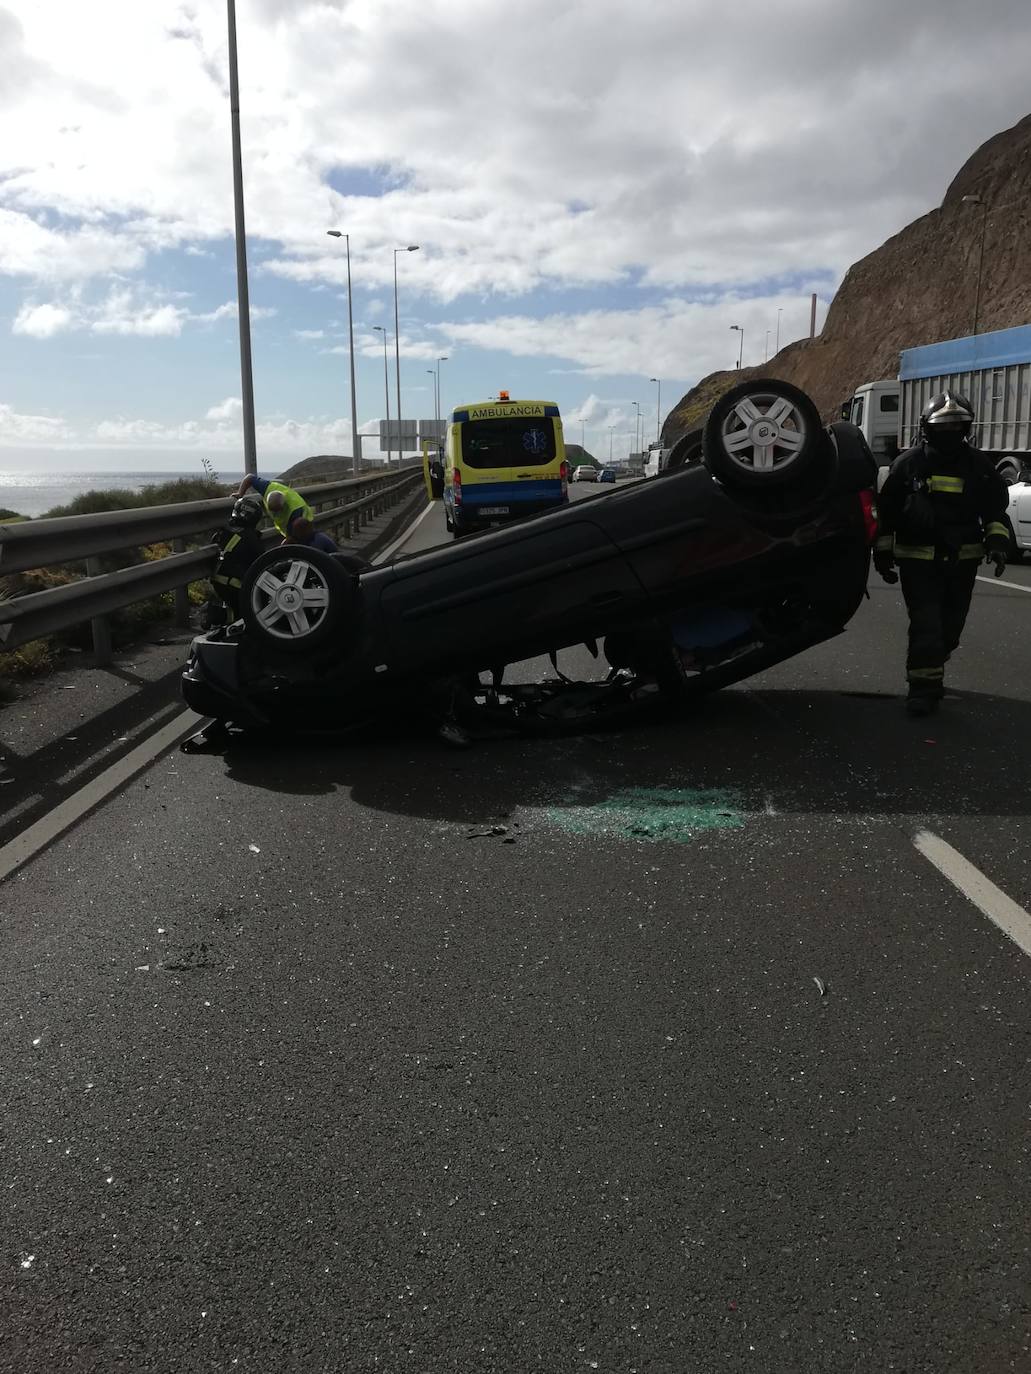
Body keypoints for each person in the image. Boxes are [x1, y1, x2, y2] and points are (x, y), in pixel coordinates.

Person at [873, 391, 1010, 717]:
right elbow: (886, 513)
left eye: (956, 426)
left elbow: (995, 511)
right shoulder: (908, 465)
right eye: (942, 426)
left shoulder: (979, 466)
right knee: (927, 625)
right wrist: (882, 554)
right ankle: (923, 690)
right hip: (918, 561)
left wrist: (998, 544)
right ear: (927, 428)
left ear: (966, 428)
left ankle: (933, 660)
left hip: (962, 561)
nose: (949, 433)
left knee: (950, 628)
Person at [236, 473, 338, 552]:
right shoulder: (267, 488)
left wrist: (279, 553)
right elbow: (249, 477)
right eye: (273, 511)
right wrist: (240, 494)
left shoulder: (294, 512)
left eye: (278, 511)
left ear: (284, 505)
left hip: (303, 525)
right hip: (300, 527)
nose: (276, 514)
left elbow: (290, 540)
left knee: (304, 548)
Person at [210, 492, 264, 621]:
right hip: (235, 585)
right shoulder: (251, 538)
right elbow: (262, 562)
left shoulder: (222, 532)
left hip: (217, 581)